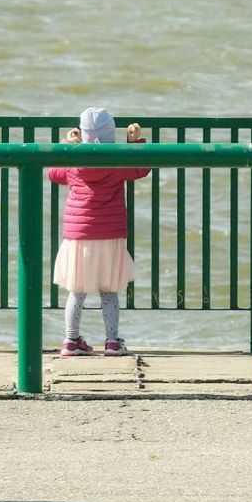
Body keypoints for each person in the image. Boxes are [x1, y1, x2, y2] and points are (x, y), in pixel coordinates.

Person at [49, 107, 150, 357]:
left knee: (77, 291)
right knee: (109, 291)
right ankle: (112, 341)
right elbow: (141, 168)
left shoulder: (73, 163)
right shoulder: (116, 162)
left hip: (78, 236)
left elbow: (53, 172)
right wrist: (134, 143)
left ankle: (71, 340)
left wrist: (68, 146)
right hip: (110, 234)